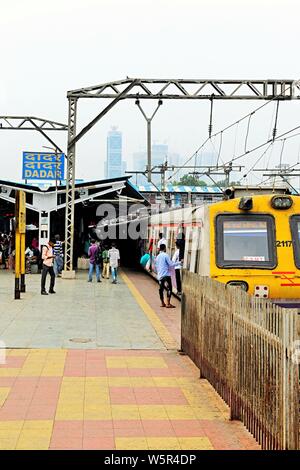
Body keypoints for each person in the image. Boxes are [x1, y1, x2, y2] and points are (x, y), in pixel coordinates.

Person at [155, 243, 180, 308]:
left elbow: (156, 266)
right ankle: (168, 303)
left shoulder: (157, 257)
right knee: (169, 289)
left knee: (161, 289)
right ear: (165, 248)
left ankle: (162, 303)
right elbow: (171, 264)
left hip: (160, 276)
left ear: (160, 249)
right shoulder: (166, 255)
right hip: (166, 275)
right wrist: (179, 263)